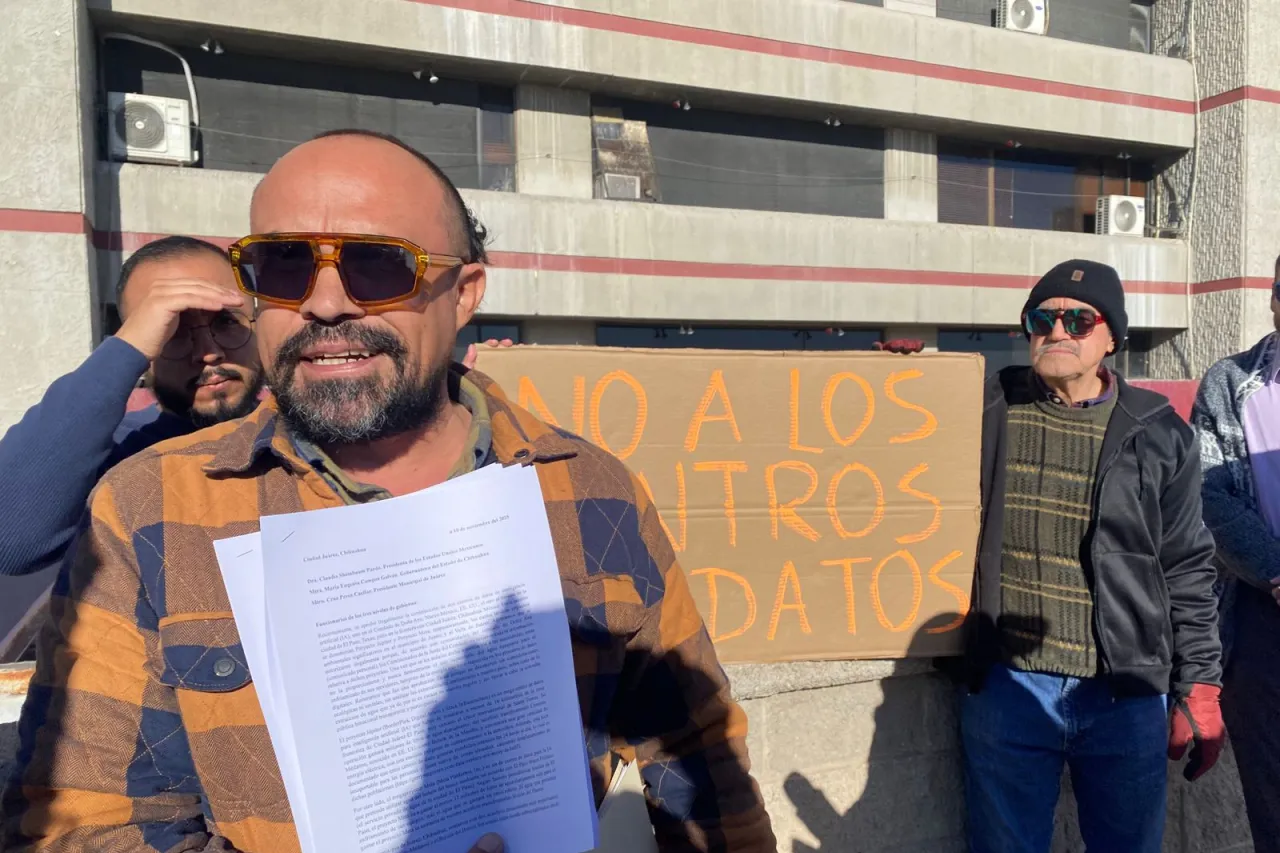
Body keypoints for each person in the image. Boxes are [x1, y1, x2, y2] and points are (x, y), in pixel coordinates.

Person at [2, 130, 775, 853]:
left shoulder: (591, 490)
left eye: (377, 266)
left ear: (464, 293)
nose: (325, 304)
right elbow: (77, 817)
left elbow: (701, 760)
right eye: (283, 266)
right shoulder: (153, 507)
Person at [957, 260, 1223, 853]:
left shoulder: (1159, 432)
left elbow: (1186, 566)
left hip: (1124, 692)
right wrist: (902, 375)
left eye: (1078, 320)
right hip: (1007, 686)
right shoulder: (985, 408)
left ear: (1111, 339)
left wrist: (1201, 683)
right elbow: (900, 441)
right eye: (1042, 320)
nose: (1057, 331)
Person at [0, 235, 264, 577]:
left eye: (226, 322)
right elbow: (12, 540)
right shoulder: (119, 451)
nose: (208, 352)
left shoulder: (301, 429)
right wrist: (124, 351)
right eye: (173, 330)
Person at [1191, 252, 1280, 853]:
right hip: (1261, 617)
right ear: (1273, 297)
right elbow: (1208, 493)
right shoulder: (1230, 382)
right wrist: (1274, 571)